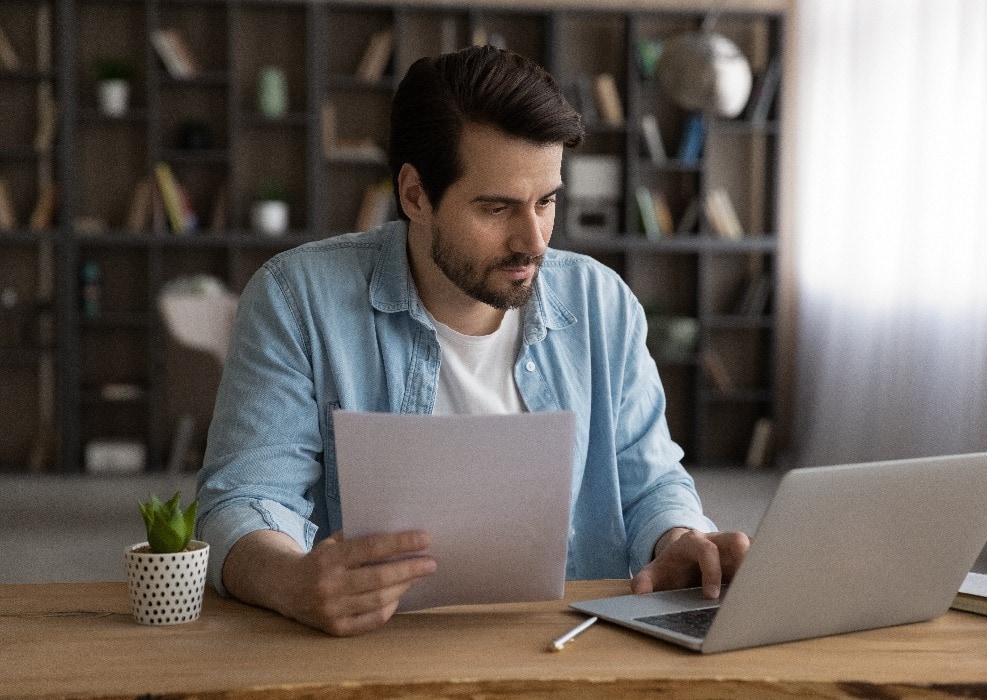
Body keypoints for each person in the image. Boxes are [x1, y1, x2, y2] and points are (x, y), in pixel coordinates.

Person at [195, 45, 750, 637]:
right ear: (414, 195)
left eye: (547, 202)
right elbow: (243, 499)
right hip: (373, 649)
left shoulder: (600, 302)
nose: (533, 240)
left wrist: (682, 538)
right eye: (497, 208)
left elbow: (650, 479)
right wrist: (291, 581)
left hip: (567, 645)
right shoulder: (296, 299)